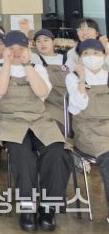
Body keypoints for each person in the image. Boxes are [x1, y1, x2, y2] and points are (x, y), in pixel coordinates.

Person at [0, 31, 71, 232]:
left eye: (21, 48)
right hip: (11, 123)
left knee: (58, 151)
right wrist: (7, 64)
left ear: (28, 49)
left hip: (39, 121)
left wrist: (27, 65)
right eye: (12, 48)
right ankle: (27, 207)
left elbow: (42, 92)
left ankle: (48, 207)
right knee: (23, 155)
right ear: (6, 50)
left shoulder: (38, 68)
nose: (16, 52)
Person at [66, 38, 109, 223]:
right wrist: (82, 79)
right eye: (86, 53)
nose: (92, 57)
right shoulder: (73, 78)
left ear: (104, 55)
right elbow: (77, 107)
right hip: (88, 131)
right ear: (80, 58)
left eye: (96, 53)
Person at [30, 29, 67, 129]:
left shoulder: (66, 58)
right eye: (38, 41)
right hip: (48, 103)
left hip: (67, 101)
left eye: (46, 40)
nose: (42, 43)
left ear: (53, 42)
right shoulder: (35, 59)